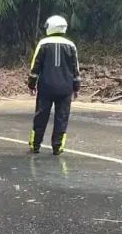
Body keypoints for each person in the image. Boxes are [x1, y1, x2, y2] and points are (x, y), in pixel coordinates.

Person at [28, 15, 81, 155]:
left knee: (41, 117)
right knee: (62, 118)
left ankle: (35, 145)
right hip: (65, 89)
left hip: (46, 88)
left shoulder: (43, 43)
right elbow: (75, 69)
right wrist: (76, 87)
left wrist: (31, 84)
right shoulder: (71, 45)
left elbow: (35, 66)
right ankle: (57, 147)